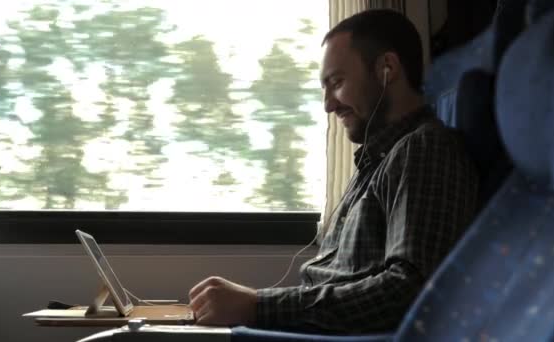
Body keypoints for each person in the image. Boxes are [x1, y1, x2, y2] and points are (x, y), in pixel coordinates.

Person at [187, 9, 479, 333]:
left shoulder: (425, 150)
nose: (328, 104)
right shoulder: (375, 162)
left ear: (387, 68)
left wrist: (258, 306)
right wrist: (253, 305)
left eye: (337, 83)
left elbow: (408, 292)